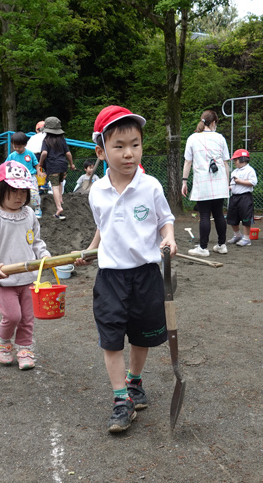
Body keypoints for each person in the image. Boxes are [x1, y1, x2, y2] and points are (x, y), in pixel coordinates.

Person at [75, 105, 177, 433]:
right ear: (101, 151)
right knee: (111, 339)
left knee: (142, 333)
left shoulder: (151, 187)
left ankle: (135, 381)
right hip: (110, 276)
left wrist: (170, 239)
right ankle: (122, 400)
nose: (128, 153)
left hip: (146, 274)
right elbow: (105, 228)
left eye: (135, 144)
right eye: (119, 146)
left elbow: (165, 220)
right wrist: (91, 252)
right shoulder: (97, 193)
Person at [0, 161, 50, 371]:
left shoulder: (29, 214)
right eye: (13, 191)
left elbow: (36, 241)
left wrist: (44, 256)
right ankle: (2, 341)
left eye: (23, 191)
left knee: (27, 317)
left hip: (28, 278)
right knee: (12, 316)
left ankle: (24, 348)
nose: (19, 197)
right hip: (5, 279)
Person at [181, 109, 230, 256]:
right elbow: (226, 163)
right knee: (219, 214)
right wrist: (226, 182)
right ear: (214, 122)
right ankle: (222, 245)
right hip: (219, 181)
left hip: (202, 182)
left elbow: (188, 161)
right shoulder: (220, 138)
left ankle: (203, 248)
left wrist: (184, 181)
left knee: (204, 215)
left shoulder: (193, 138)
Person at [38, 116, 75, 220]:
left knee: (54, 186)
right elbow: (68, 154)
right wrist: (71, 164)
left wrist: (40, 163)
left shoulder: (46, 140)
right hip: (63, 165)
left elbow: (44, 153)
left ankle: (59, 208)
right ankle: (60, 198)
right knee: (60, 182)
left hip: (53, 166)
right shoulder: (62, 140)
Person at [226, 149, 258, 247]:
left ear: (242, 159)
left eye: (236, 160)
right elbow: (233, 184)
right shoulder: (235, 171)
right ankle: (237, 235)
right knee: (232, 217)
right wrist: (229, 187)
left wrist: (239, 181)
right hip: (234, 197)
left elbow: (253, 182)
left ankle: (246, 238)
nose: (234, 162)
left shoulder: (250, 170)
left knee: (245, 217)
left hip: (245, 197)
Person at [6, 131, 42, 218]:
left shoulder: (30, 153)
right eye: (15, 147)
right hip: (18, 179)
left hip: (30, 177)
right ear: (12, 144)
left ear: (25, 144)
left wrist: (39, 171)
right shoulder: (12, 156)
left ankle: (37, 208)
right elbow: (6, 166)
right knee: (20, 195)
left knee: (34, 193)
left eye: (20, 147)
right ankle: (21, 209)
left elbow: (36, 164)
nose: (17, 149)